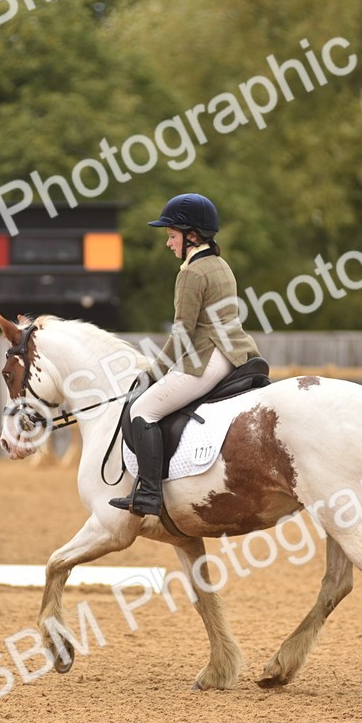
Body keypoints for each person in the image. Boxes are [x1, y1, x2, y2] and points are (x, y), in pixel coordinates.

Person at [109, 193, 261, 516]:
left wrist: (152, 373)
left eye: (171, 236)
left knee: (142, 411)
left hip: (207, 358)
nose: (168, 243)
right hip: (236, 354)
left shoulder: (191, 273)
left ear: (191, 235)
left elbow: (182, 335)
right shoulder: (221, 265)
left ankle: (150, 494)